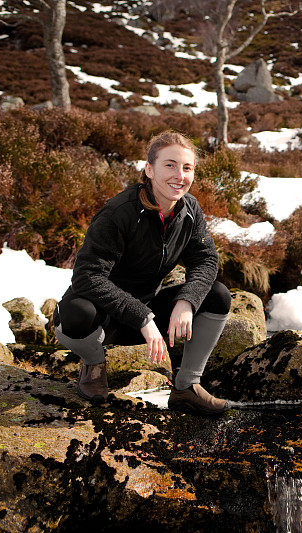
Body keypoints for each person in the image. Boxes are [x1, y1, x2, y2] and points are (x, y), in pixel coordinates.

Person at [54, 131, 231, 415]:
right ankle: (94, 366)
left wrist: (186, 301)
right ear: (149, 170)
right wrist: (142, 316)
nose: (180, 175)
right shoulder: (119, 213)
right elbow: (87, 276)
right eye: (170, 165)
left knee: (217, 295)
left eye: (187, 168)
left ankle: (186, 387)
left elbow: (206, 259)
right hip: (101, 319)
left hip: (144, 313)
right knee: (76, 312)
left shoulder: (189, 210)